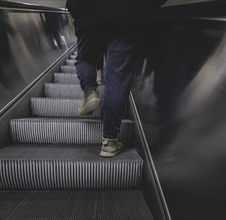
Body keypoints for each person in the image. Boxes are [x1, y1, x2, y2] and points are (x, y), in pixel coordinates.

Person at [66, 0, 165, 157]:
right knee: (116, 80)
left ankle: (90, 92)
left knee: (85, 59)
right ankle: (109, 141)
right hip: (126, 18)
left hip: (89, 17)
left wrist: (80, 11)